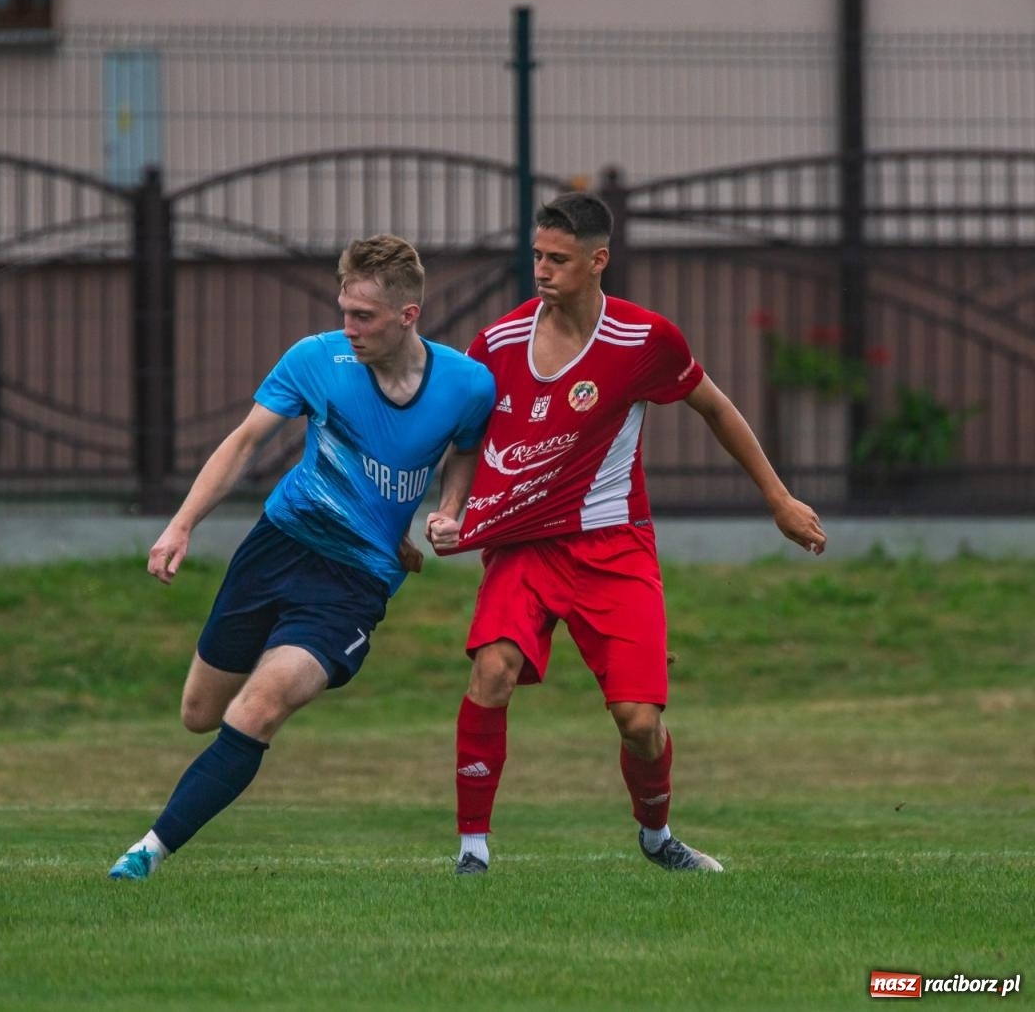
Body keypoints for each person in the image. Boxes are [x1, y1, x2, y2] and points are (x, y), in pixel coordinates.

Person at [425, 192, 826, 876]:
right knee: (491, 670)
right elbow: (466, 438)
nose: (542, 270)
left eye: (558, 258)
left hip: (614, 547)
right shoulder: (495, 343)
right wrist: (451, 508)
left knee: (640, 722)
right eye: (537, 256)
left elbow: (716, 407)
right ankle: (471, 851)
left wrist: (779, 498)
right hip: (524, 545)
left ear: (597, 260)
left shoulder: (645, 341)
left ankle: (656, 834)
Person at [108, 234, 496, 880]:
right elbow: (243, 443)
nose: (348, 327)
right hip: (276, 548)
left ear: (408, 315)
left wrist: (448, 510)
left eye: (363, 316)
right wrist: (180, 527)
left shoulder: (467, 384)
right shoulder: (316, 359)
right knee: (201, 715)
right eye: (344, 310)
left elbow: (465, 449)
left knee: (260, 707)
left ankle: (147, 851)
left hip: (355, 582)